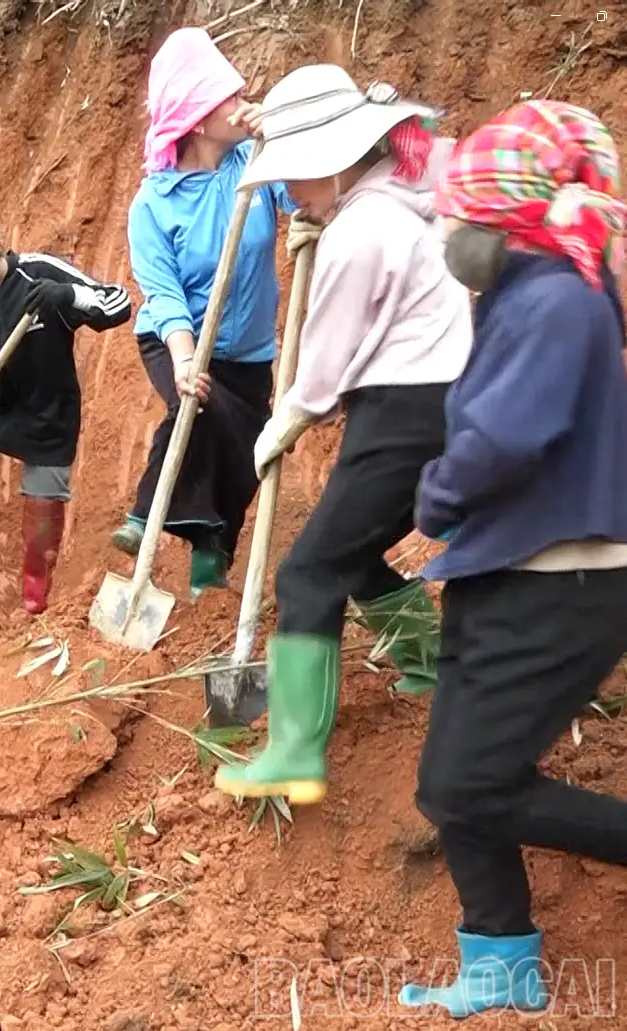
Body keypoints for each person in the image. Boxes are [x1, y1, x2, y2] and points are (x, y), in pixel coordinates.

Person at [391, 99, 627, 1020]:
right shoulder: (530, 294)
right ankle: (499, 962)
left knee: (469, 782)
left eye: (459, 217)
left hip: (563, 581)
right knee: (450, 782)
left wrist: (433, 499)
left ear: (507, 221)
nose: (448, 233)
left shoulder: (560, 302)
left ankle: (502, 960)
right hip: (513, 572)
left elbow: (506, 437)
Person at [208, 68, 470, 805]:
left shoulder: (362, 230)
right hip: (445, 403)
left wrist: (289, 414)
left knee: (307, 574)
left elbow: (325, 357)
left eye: (296, 175)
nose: (290, 191)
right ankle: (435, 658)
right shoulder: (400, 200)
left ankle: (293, 750)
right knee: (345, 552)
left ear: (331, 159)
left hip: (404, 410)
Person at [120, 26, 299, 594]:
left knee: (246, 457)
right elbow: (164, 293)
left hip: (247, 350)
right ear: (197, 119)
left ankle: (211, 558)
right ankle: (146, 512)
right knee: (198, 405)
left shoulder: (256, 163)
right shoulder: (153, 204)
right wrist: (184, 356)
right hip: (175, 339)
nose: (243, 104)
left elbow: (306, 199)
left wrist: (283, 145)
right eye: (230, 98)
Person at [0, 204, 133, 615]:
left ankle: (34, 607)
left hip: (46, 417)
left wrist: (68, 296)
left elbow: (117, 304)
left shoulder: (39, 273)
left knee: (41, 519)